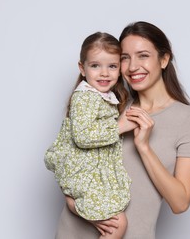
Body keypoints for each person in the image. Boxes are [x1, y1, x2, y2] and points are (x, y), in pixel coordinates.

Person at [54, 22, 190, 239]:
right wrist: (73, 205)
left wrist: (143, 147)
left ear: (164, 60)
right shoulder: (110, 105)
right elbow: (70, 158)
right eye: (125, 58)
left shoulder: (189, 119)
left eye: (143, 55)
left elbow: (180, 203)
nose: (133, 66)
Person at [45, 32, 136, 239]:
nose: (104, 73)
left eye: (112, 66)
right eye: (95, 65)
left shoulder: (103, 96)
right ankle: (76, 207)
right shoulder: (85, 96)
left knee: (116, 222)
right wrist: (119, 126)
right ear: (82, 68)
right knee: (118, 224)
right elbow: (83, 136)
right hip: (84, 171)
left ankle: (76, 206)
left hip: (92, 172)